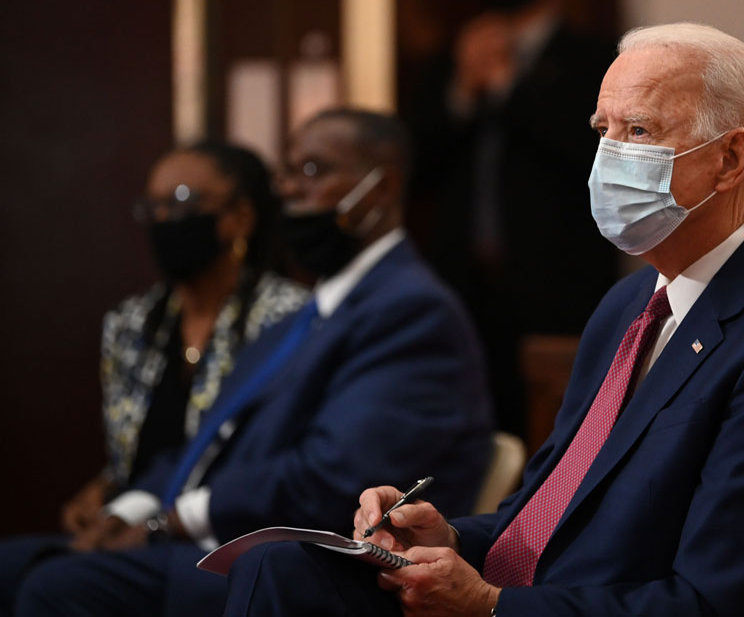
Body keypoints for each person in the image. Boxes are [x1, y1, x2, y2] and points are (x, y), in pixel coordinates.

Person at [220, 23, 744, 617]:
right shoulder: (630, 303)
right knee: (282, 566)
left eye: (639, 131)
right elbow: (541, 521)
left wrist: (488, 607)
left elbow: (708, 602)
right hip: (537, 598)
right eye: (603, 131)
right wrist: (443, 539)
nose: (610, 156)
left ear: (730, 160)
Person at [6, 109, 494, 616]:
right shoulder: (314, 311)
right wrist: (126, 509)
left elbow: (334, 480)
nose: (286, 190)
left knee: (59, 587)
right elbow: (207, 443)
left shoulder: (410, 310)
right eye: (285, 173)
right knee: (13, 566)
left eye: (311, 171)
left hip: (296, 566)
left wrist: (166, 522)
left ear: (382, 186)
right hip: (225, 541)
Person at [0, 141, 308, 609]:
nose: (166, 219)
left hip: (210, 530)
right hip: (132, 517)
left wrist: (145, 519)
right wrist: (105, 493)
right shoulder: (130, 323)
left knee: (51, 587)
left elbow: (251, 451)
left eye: (183, 202)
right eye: (154, 207)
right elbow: (140, 449)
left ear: (239, 217)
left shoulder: (284, 318)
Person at [405, 0, 618, 435]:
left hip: (559, 285)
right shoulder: (449, 60)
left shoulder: (595, 60)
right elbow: (416, 168)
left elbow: (588, 155)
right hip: (464, 286)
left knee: (560, 432)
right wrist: (461, 90)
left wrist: (506, 89)